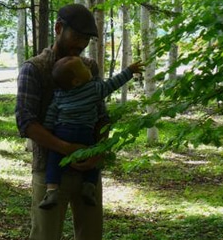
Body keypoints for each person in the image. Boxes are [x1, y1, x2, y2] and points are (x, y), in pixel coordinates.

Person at [6, 3, 117, 240]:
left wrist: (97, 150)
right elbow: (27, 123)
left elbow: (101, 114)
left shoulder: (90, 67)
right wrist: (69, 150)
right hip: (49, 173)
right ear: (58, 28)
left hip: (89, 173)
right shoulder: (34, 69)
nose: (80, 45)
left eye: (86, 40)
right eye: (76, 36)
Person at [39, 56, 145, 209]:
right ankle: (89, 186)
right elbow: (112, 84)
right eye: (83, 67)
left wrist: (49, 131)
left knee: (54, 160)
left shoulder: (59, 95)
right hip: (86, 133)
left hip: (63, 131)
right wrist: (129, 71)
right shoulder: (94, 89)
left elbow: (51, 114)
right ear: (76, 81)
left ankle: (52, 190)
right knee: (94, 157)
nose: (88, 68)